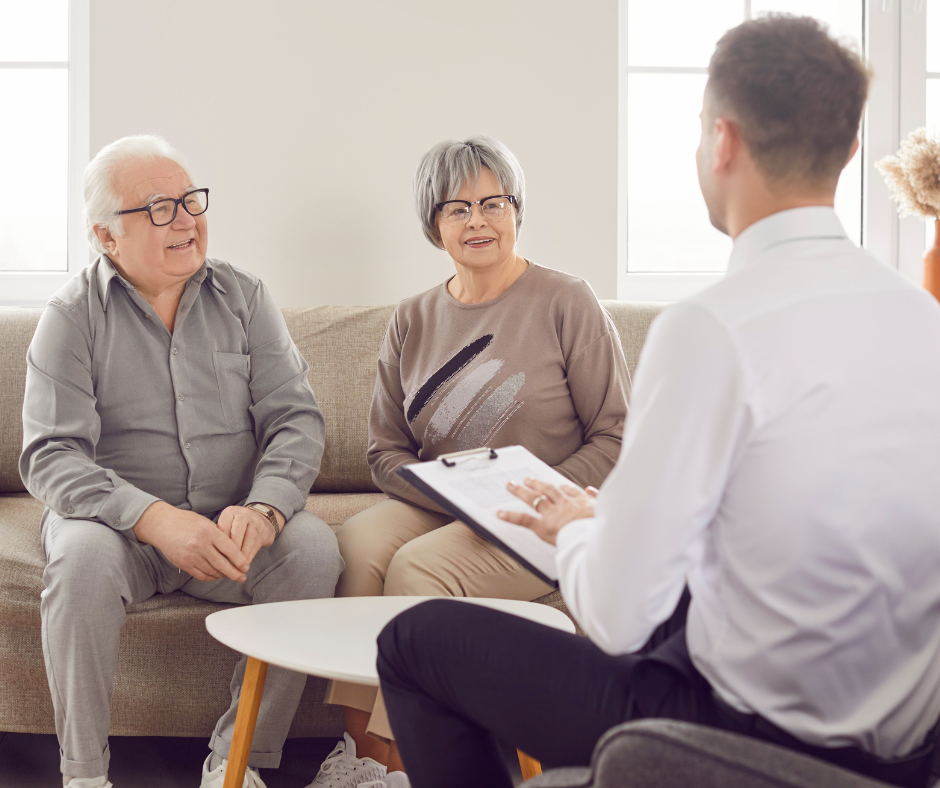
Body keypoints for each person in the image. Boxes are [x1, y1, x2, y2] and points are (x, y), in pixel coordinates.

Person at [374, 15, 940, 788]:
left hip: (742, 733)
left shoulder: (711, 327)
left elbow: (616, 614)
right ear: (849, 151)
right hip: (906, 754)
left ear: (722, 142)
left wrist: (578, 527)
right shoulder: (922, 319)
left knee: (413, 642)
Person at [19, 135, 345, 788]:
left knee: (312, 549)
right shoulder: (71, 317)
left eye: (191, 200)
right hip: (117, 531)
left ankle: (236, 763)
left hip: (229, 527)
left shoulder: (244, 296)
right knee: (79, 560)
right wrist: (156, 519)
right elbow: (51, 456)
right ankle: (84, 776)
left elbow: (295, 418)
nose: (187, 220)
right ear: (106, 237)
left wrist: (263, 507)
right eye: (159, 208)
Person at [310, 136, 630, 787]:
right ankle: (360, 759)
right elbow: (384, 451)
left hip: (537, 514)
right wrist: (455, 496)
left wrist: (529, 496)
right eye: (457, 208)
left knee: (417, 566)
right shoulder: (413, 318)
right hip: (447, 501)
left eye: (492, 203)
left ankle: (408, 763)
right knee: (358, 543)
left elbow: (616, 435)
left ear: (516, 210)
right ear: (434, 223)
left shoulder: (566, 301)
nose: (477, 221)